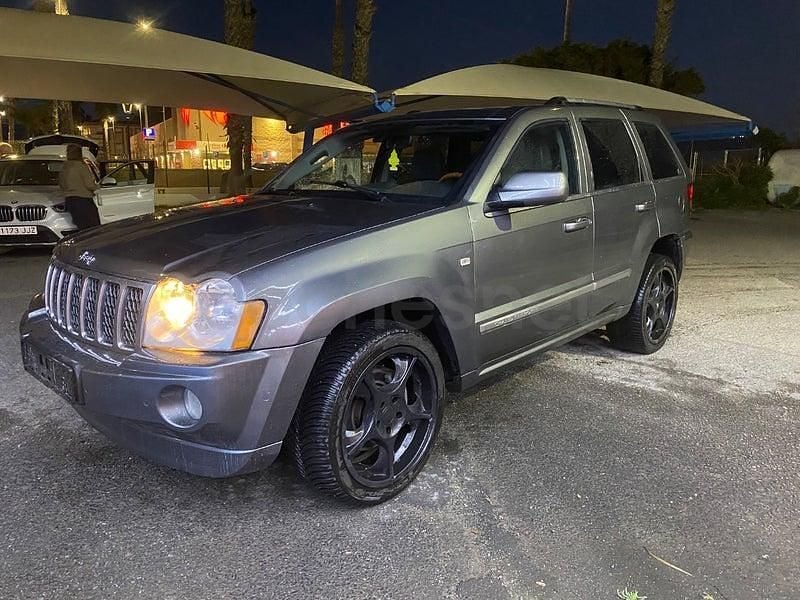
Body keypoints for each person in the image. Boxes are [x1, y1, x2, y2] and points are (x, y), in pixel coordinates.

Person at [59, 144, 100, 230]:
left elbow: (62, 184)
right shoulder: (81, 166)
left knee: (81, 227)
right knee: (93, 227)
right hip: (84, 200)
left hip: (70, 200)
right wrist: (97, 187)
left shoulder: (65, 167)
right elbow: (89, 184)